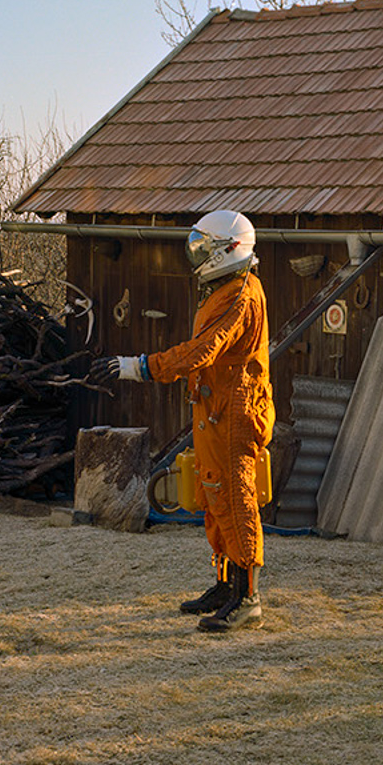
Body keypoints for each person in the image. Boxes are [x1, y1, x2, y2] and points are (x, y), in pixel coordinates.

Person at [91, 210, 275, 633]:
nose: (197, 256)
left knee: (235, 498)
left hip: (235, 413)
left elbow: (202, 351)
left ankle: (248, 598)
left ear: (228, 249)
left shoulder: (241, 296)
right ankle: (226, 586)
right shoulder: (229, 287)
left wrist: (139, 366)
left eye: (203, 248)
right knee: (214, 497)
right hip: (217, 410)